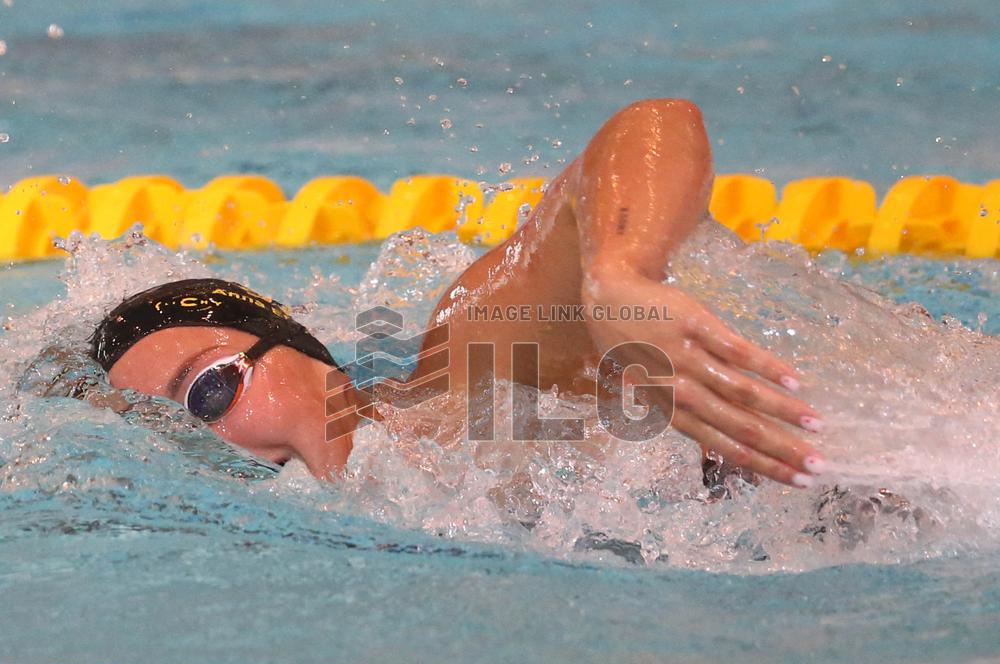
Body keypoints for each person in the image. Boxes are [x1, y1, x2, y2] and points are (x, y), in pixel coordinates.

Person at [91, 99, 826, 487]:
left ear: (308, 354)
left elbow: (653, 124)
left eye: (211, 394)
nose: (216, 448)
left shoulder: (466, 366)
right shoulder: (416, 512)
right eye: (174, 439)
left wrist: (622, 275)